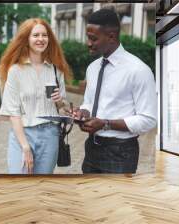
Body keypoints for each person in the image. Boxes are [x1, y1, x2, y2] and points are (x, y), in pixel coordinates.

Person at [71, 9, 157, 174]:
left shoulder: (138, 70)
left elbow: (148, 120)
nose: (88, 43)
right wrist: (82, 112)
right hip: (91, 148)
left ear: (111, 36)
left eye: (93, 38)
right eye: (88, 37)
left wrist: (105, 123)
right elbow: (89, 101)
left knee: (115, 200)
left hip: (121, 153)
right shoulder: (93, 68)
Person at [0, 18, 71, 174]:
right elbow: (13, 112)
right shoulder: (16, 71)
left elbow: (63, 111)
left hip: (50, 134)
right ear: (26, 39)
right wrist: (25, 147)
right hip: (23, 135)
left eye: (44, 35)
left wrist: (60, 102)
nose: (41, 39)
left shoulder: (55, 70)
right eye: (36, 35)